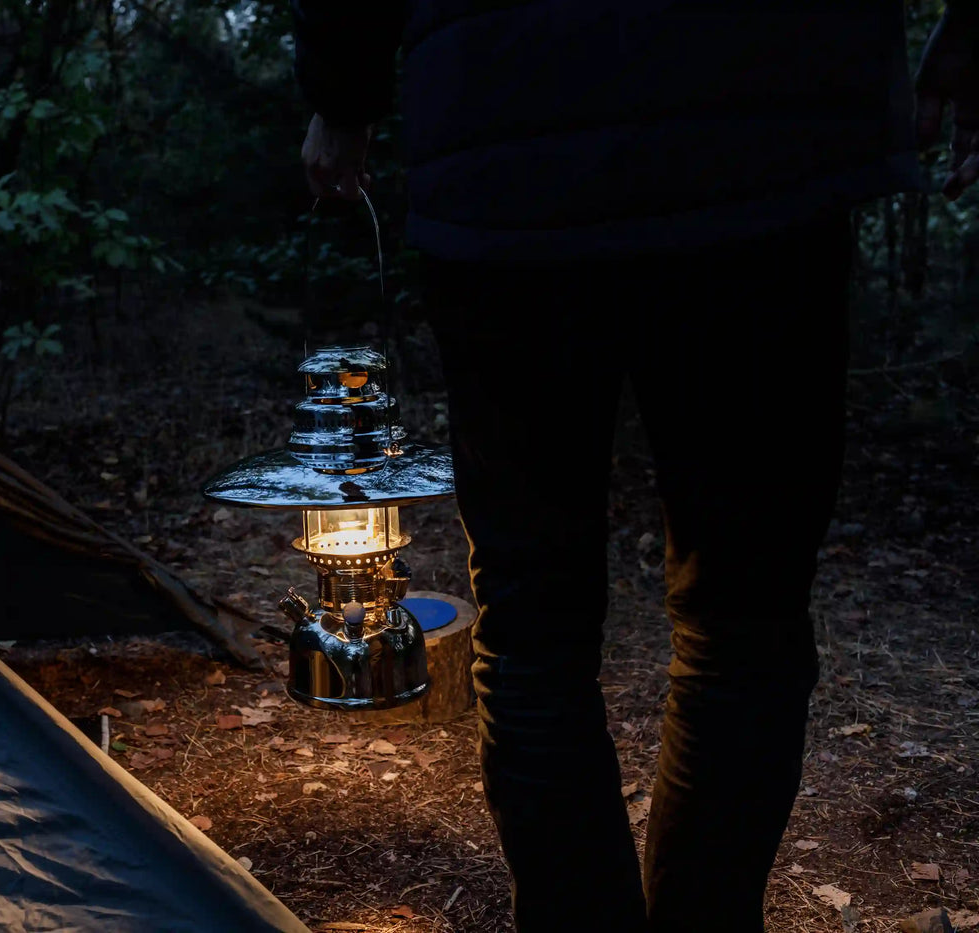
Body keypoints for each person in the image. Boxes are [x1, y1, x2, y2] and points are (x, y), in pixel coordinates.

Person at [294, 3, 975, 930]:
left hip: (510, 141)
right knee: (744, 613)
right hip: (762, 135)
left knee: (534, 624)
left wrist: (343, 94)